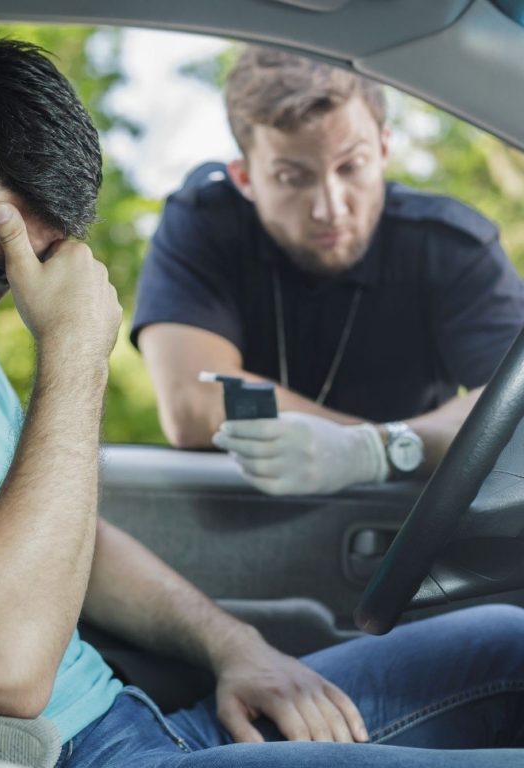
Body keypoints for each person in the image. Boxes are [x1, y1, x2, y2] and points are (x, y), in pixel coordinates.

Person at [0, 37, 524, 768]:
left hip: (138, 724)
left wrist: (236, 647)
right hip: (67, 755)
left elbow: (65, 539)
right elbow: (1, 666)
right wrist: (75, 349)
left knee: (503, 641)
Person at [131, 47, 524, 496]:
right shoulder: (204, 222)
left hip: (403, 524)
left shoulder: (451, 247)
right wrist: (406, 442)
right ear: (244, 178)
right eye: (292, 177)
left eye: (351, 166)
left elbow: (516, 413)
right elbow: (193, 402)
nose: (330, 208)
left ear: (383, 148)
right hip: (239, 515)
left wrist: (371, 451)